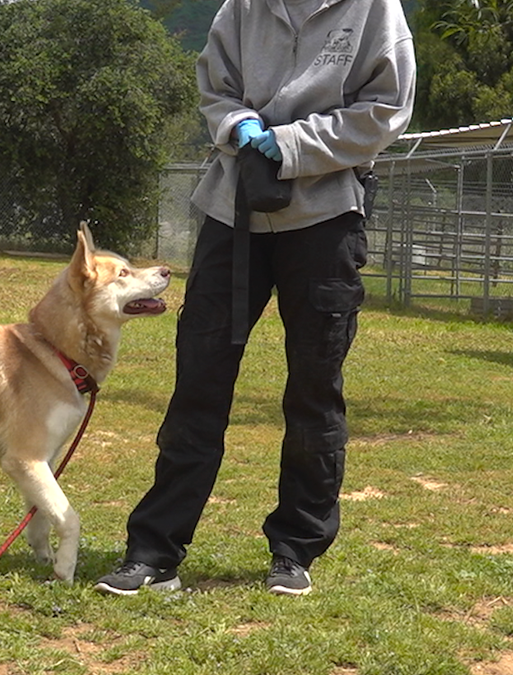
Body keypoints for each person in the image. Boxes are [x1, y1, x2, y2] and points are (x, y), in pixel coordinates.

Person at [95, 0, 415, 597]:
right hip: (232, 211)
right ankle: (155, 552)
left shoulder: (375, 9)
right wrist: (239, 126)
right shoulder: (241, 7)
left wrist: (290, 144)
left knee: (315, 389)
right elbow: (216, 87)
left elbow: (386, 110)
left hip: (325, 216)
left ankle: (296, 550)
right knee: (200, 380)